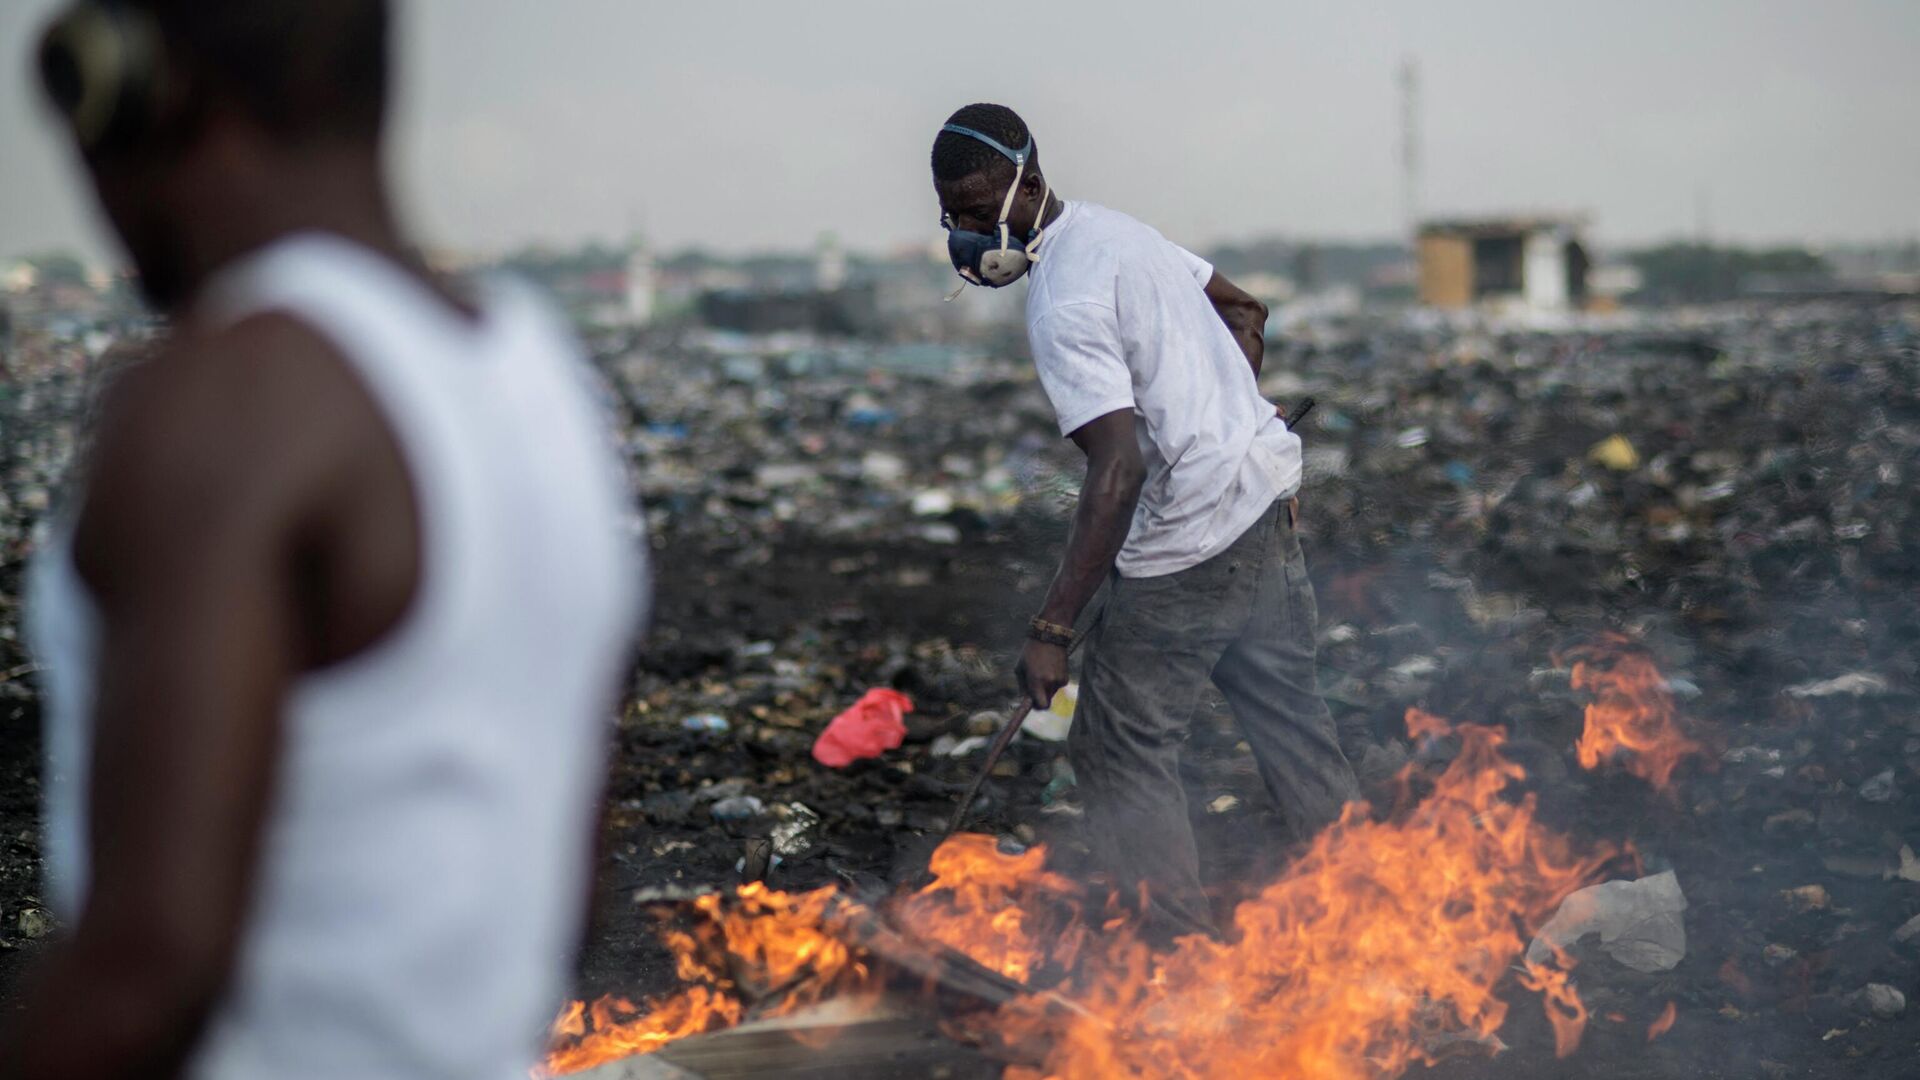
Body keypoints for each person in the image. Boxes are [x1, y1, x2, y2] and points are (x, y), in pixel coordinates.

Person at [2, 2, 645, 1077]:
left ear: (139, 86)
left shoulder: (235, 397)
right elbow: (560, 885)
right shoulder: (536, 379)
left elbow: (149, 968)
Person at [930, 103, 1359, 944]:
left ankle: (1178, 964)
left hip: (1190, 545)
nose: (972, 237)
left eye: (981, 216)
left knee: (1118, 750)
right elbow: (1246, 310)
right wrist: (1225, 413)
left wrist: (1052, 627)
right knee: (1296, 734)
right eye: (955, 218)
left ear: (1026, 185)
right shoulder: (1122, 234)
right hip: (1265, 507)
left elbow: (1117, 469)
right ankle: (1372, 923)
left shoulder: (1061, 302)